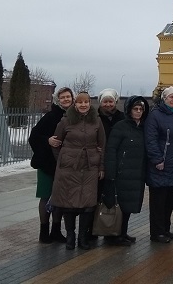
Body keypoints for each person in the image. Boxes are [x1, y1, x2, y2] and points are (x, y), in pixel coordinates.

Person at [49, 91, 106, 250]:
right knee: (69, 204)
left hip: (90, 167)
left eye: (86, 102)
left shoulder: (97, 121)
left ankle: (82, 237)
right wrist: (62, 159)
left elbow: (102, 145)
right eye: (80, 102)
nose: (83, 105)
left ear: (90, 103)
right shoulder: (65, 121)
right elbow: (56, 143)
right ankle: (70, 236)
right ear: (75, 104)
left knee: (88, 204)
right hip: (69, 169)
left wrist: (101, 166)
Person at [102, 95, 149, 246]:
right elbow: (111, 150)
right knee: (118, 205)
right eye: (135, 109)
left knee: (128, 206)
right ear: (129, 110)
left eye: (141, 109)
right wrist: (111, 172)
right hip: (121, 173)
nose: (138, 111)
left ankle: (123, 233)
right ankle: (113, 234)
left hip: (136, 173)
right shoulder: (121, 126)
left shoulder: (143, 127)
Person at [28, 86, 73, 243]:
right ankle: (43, 231)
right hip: (47, 164)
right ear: (57, 100)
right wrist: (47, 141)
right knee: (46, 196)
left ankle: (56, 230)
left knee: (60, 198)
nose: (66, 99)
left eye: (68, 97)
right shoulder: (50, 117)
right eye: (63, 97)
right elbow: (34, 136)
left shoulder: (74, 117)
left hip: (65, 165)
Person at [145, 86, 173, 244]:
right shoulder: (155, 115)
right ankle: (156, 233)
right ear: (165, 98)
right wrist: (157, 160)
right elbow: (151, 139)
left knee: (169, 201)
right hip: (160, 166)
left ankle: (166, 229)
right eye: (171, 97)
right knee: (158, 203)